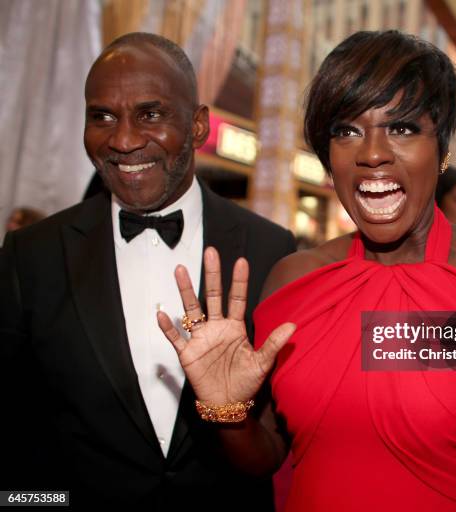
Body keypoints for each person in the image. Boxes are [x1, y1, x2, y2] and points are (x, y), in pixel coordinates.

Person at [157, 31, 456, 511]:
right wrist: (226, 411)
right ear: (328, 158)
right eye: (347, 130)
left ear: (442, 147)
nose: (373, 153)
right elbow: (268, 456)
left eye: (402, 127)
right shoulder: (292, 280)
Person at [0, 32, 295, 509]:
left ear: (198, 126)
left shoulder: (269, 248)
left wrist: (229, 413)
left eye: (150, 114)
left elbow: (274, 451)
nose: (122, 139)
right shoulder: (30, 255)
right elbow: (13, 429)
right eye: (103, 116)